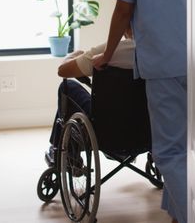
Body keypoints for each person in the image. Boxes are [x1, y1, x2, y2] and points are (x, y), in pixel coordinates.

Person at [92, 0, 187, 222]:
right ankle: (178, 213)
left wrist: (107, 54)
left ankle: (194, 215)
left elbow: (123, 8)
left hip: (164, 60)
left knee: (171, 152)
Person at [44, 28, 135, 166]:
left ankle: (60, 152)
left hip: (106, 130)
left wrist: (72, 56)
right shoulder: (159, 52)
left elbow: (63, 71)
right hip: (144, 132)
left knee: (67, 87)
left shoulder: (109, 51)